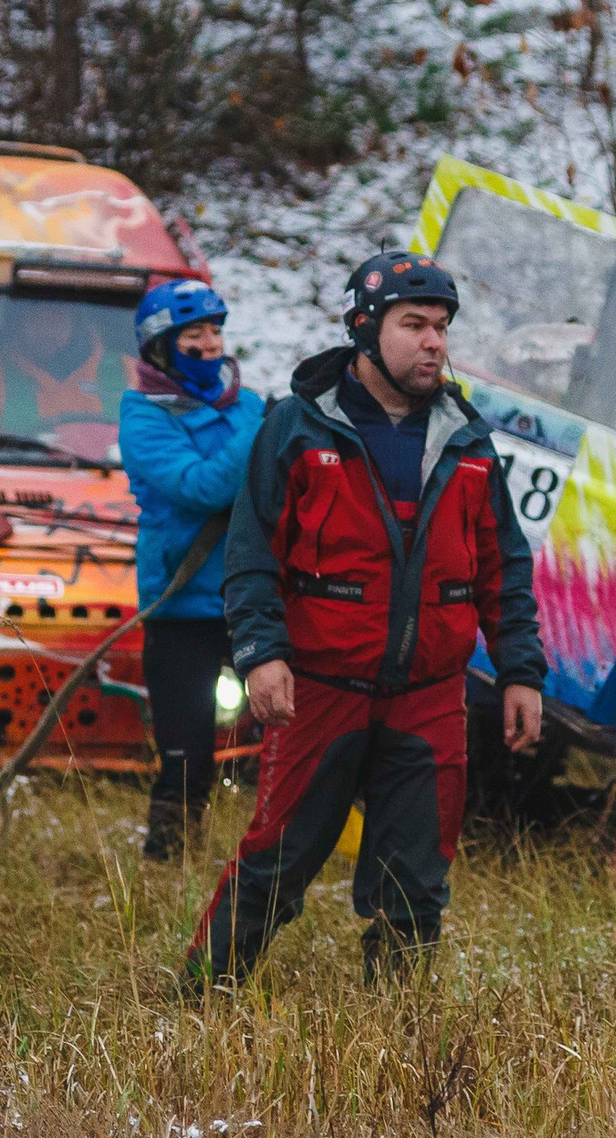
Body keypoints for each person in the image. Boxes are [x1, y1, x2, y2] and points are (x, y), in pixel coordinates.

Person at [189, 250, 546, 991]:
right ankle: (199, 999)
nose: (433, 342)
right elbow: (252, 553)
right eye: (414, 324)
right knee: (274, 862)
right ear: (364, 327)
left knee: (417, 884)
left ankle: (397, 1035)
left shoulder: (470, 440)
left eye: (441, 326)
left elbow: (504, 567)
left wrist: (520, 671)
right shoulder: (295, 428)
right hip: (320, 688)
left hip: (429, 695)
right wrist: (261, 652)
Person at [119, 278, 266, 862]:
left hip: (254, 595)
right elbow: (200, 488)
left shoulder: (245, 403)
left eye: (213, 330)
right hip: (182, 605)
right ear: (161, 348)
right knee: (185, 751)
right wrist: (260, 427)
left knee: (290, 731)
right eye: (192, 335)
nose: (208, 344)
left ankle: (277, 853)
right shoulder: (143, 418)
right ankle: (168, 865)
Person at [0, 304, 128, 459]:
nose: (46, 329)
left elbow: (152, 448)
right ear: (18, 322)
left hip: (110, 493)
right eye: (36, 316)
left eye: (56, 315)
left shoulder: (127, 371)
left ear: (77, 320)